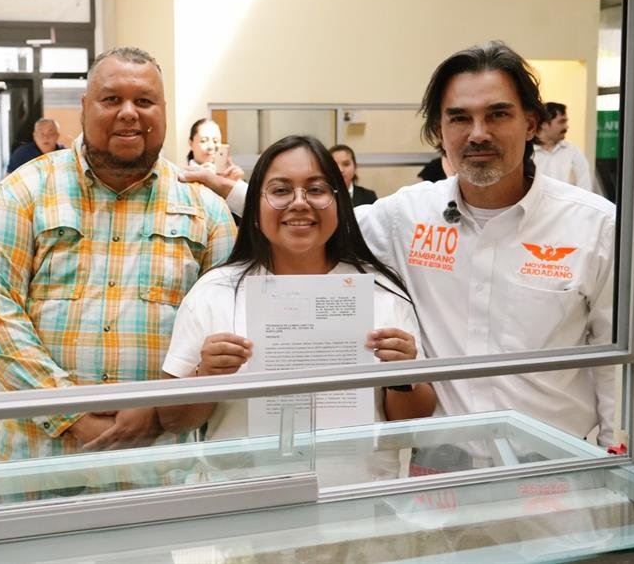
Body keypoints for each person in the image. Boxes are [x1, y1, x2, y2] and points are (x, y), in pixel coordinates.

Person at [0, 47, 237, 463]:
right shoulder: (24, 192)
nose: (129, 112)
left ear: (163, 110)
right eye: (111, 99)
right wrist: (70, 413)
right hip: (39, 469)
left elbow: (222, 330)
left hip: (158, 470)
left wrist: (159, 409)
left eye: (144, 101)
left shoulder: (207, 210)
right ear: (84, 107)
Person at [356, 41, 616, 446]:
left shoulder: (595, 226)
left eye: (498, 114)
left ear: (531, 123)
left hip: (556, 477)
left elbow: (613, 364)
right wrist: (226, 187)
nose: (478, 134)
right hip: (441, 480)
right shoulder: (405, 216)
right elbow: (312, 222)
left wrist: (614, 463)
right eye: (459, 118)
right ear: (438, 132)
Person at [159, 135, 436, 484]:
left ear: (338, 200)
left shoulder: (381, 292)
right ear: (255, 204)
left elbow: (415, 420)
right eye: (280, 191)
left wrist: (403, 378)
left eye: (317, 189)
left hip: (356, 502)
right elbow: (172, 419)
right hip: (247, 508)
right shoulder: (216, 292)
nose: (300, 203)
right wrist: (206, 378)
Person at [533, 102, 593, 191]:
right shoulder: (528, 153)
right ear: (544, 124)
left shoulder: (573, 152)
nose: (566, 126)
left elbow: (585, 188)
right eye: (561, 122)